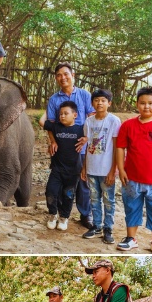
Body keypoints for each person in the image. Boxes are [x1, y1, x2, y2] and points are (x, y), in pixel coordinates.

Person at [115, 86, 152, 254]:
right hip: (132, 178)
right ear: (137, 104)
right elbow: (120, 148)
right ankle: (131, 238)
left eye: (150, 103)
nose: (146, 106)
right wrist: (121, 169)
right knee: (131, 207)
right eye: (142, 103)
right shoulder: (127, 126)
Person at [40, 63, 94, 229]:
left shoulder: (85, 94)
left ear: (73, 75)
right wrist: (53, 141)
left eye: (66, 74)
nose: (63, 78)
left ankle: (86, 215)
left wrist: (87, 137)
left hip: (81, 146)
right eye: (59, 75)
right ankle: (62, 215)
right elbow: (50, 123)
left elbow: (92, 118)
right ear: (56, 78)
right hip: (61, 147)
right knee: (61, 182)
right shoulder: (54, 99)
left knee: (83, 182)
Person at [81, 89, 121, 243]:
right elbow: (87, 146)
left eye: (103, 100)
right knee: (94, 199)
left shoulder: (114, 121)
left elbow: (117, 147)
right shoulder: (89, 122)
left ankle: (108, 228)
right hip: (91, 169)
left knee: (108, 200)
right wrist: (84, 168)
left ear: (109, 103)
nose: (99, 103)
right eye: (96, 100)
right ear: (92, 103)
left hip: (106, 170)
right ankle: (96, 226)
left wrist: (113, 170)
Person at [43, 101, 84, 232]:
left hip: (73, 171)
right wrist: (49, 109)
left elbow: (94, 131)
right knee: (50, 191)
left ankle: (64, 218)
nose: (62, 116)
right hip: (57, 169)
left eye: (66, 113)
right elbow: (42, 121)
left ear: (75, 115)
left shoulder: (80, 129)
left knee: (68, 195)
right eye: (60, 114)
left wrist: (87, 139)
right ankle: (53, 215)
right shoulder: (56, 127)